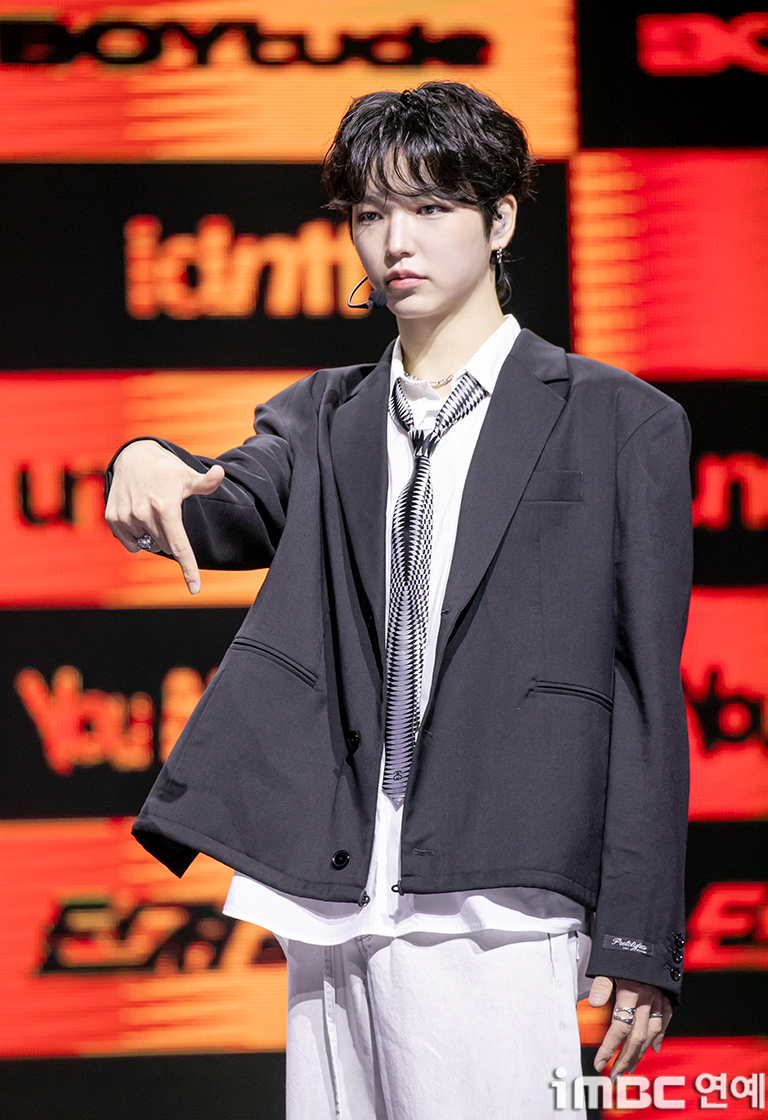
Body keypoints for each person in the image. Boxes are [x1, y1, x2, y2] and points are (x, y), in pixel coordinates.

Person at [105, 81, 692, 1118]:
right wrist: (143, 457)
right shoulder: (321, 415)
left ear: (500, 220)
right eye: (370, 213)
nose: (394, 241)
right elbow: (221, 507)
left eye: (428, 207)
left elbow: (648, 690)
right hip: (334, 894)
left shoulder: (618, 421)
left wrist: (638, 937)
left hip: (499, 899)